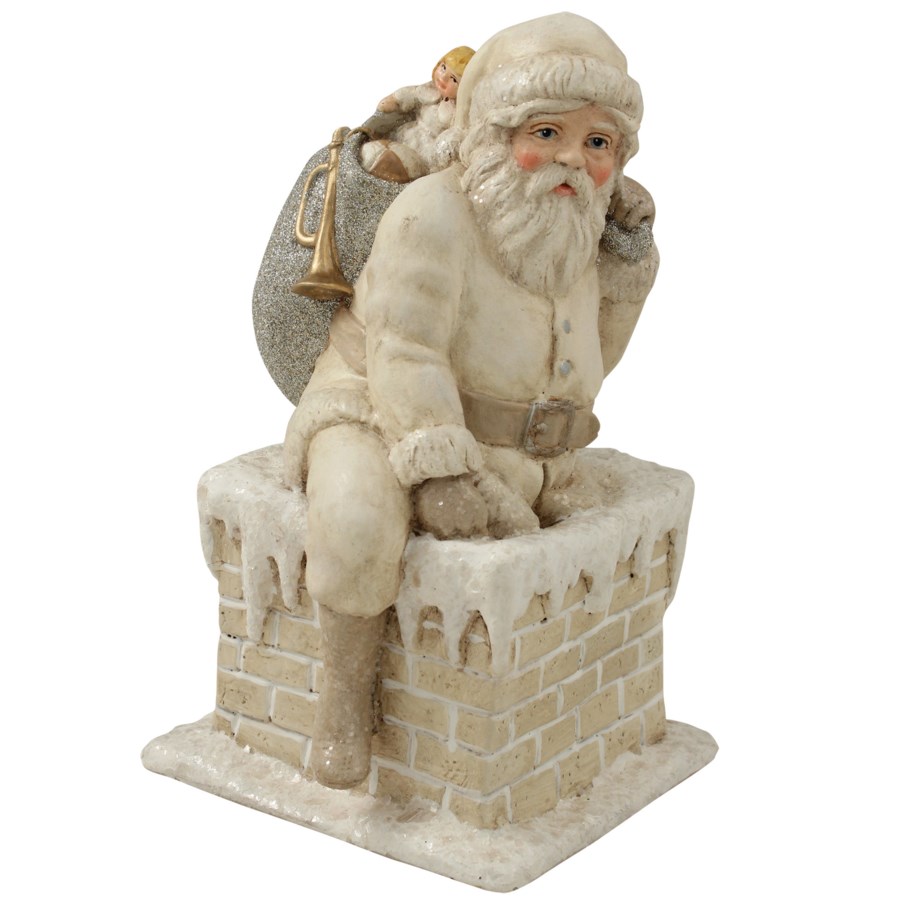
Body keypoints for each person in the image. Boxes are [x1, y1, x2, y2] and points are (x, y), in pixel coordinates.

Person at [283, 12, 659, 788]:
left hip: (508, 440)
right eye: (547, 132)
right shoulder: (434, 215)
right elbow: (405, 350)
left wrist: (629, 268)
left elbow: (596, 355)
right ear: (496, 133)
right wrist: (436, 467)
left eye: (597, 142)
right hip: (374, 404)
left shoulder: (574, 225)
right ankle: (344, 709)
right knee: (357, 521)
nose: (572, 158)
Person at [360, 45, 475, 182]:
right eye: (443, 68)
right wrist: (396, 100)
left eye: (454, 79)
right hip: (407, 135)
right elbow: (412, 95)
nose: (443, 78)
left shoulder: (458, 113)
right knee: (373, 150)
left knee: (386, 159)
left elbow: (456, 138)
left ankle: (386, 177)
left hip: (426, 153)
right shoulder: (429, 90)